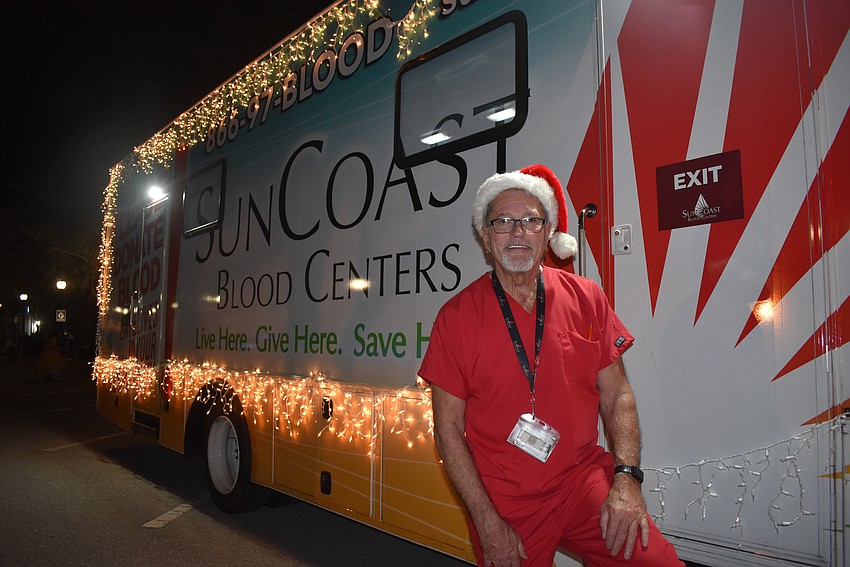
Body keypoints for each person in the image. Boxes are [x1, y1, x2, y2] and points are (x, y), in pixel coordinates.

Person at [418, 165, 683, 567]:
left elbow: (617, 395)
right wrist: (486, 520)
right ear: (485, 237)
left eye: (531, 221)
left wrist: (627, 477)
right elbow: (448, 429)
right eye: (503, 222)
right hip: (503, 497)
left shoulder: (587, 297)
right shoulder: (455, 318)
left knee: (656, 563)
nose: (518, 232)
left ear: (548, 233)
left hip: (581, 481)